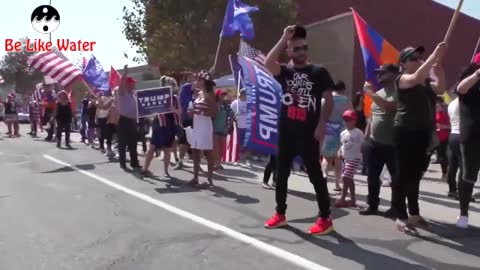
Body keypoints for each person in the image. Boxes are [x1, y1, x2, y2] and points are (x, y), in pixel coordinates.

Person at [264, 25, 334, 235]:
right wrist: (284, 36)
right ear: (289, 51)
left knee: (315, 175)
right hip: (286, 131)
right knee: (282, 174)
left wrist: (322, 123)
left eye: (304, 47)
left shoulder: (319, 72)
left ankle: (325, 217)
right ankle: (280, 214)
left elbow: (328, 101)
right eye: (296, 49)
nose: (302, 52)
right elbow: (268, 62)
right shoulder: (285, 71)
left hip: (308, 132)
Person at [393, 43, 446, 234]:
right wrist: (433, 55)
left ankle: (414, 214)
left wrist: (438, 67)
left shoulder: (424, 83)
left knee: (415, 174)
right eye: (413, 58)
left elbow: (440, 88)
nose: (418, 60)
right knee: (402, 174)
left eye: (419, 58)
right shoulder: (403, 79)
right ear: (403, 63)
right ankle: (400, 215)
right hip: (405, 131)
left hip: (423, 132)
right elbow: (415, 77)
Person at [360, 64, 399, 216]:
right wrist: (366, 137)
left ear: (394, 74)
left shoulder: (399, 91)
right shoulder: (379, 92)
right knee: (372, 176)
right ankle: (372, 205)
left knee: (396, 178)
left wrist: (370, 93)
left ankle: (396, 207)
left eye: (383, 72)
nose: (379, 75)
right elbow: (372, 116)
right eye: (378, 72)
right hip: (373, 143)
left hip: (393, 144)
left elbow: (389, 107)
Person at [455, 53, 480, 228]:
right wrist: (478, 74)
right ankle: (463, 213)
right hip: (471, 136)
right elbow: (460, 89)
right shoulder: (469, 84)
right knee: (468, 175)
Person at [142, 76, 180, 177]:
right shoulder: (159, 96)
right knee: (152, 147)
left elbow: (179, 112)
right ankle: (145, 168)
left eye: (173, 84)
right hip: (159, 123)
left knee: (167, 149)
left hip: (170, 124)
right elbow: (149, 108)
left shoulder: (175, 98)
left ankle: (166, 171)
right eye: (170, 84)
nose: (172, 86)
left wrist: (174, 110)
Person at [188, 71, 218, 187]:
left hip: (205, 125)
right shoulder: (199, 93)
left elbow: (215, 112)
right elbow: (197, 109)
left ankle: (210, 179)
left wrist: (198, 112)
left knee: (207, 152)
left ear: (205, 82)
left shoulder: (210, 94)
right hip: (197, 124)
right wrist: (191, 113)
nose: (197, 82)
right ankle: (195, 178)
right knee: (195, 152)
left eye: (199, 80)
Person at [321, 80, 351, 192]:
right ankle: (338, 184)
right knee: (338, 157)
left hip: (328, 129)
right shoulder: (345, 100)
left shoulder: (325, 100)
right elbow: (351, 114)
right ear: (343, 89)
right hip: (341, 131)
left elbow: (320, 115)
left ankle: (324, 175)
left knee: (325, 157)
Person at [336, 109, 364, 208]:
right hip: (346, 158)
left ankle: (343, 198)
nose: (347, 122)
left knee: (345, 177)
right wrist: (339, 151)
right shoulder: (343, 133)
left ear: (354, 120)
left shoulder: (358, 133)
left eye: (349, 120)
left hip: (354, 158)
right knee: (349, 179)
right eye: (345, 120)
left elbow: (363, 144)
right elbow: (342, 144)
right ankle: (353, 199)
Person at [116, 65, 141, 170]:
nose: (134, 84)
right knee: (122, 143)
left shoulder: (134, 94)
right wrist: (125, 74)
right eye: (132, 83)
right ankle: (122, 163)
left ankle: (134, 162)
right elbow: (120, 84)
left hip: (133, 121)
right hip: (124, 120)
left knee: (133, 142)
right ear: (127, 84)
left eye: (134, 83)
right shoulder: (122, 92)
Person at [175, 74, 196, 170]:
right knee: (184, 143)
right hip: (186, 121)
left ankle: (194, 162)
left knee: (193, 143)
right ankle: (181, 161)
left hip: (194, 121)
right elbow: (194, 85)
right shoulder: (185, 91)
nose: (194, 87)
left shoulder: (193, 96)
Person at [230, 88, 253, 165]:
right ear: (242, 94)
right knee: (237, 143)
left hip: (247, 126)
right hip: (238, 126)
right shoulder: (235, 103)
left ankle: (247, 159)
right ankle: (237, 159)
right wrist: (232, 121)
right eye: (245, 94)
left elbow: (253, 114)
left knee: (247, 143)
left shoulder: (249, 103)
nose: (246, 96)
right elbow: (231, 114)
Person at [213, 89, 233, 170]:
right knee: (215, 148)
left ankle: (218, 163)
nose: (223, 96)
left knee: (221, 148)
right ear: (217, 95)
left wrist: (229, 125)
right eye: (221, 95)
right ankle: (216, 164)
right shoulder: (213, 104)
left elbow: (231, 115)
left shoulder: (226, 105)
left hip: (223, 129)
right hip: (214, 129)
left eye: (224, 95)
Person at [434, 96, 450, 178]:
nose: (436, 105)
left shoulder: (446, 113)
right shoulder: (435, 112)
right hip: (438, 137)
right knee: (441, 156)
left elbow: (452, 125)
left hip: (446, 137)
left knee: (445, 156)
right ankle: (444, 173)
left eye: (437, 103)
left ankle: (446, 173)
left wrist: (443, 126)